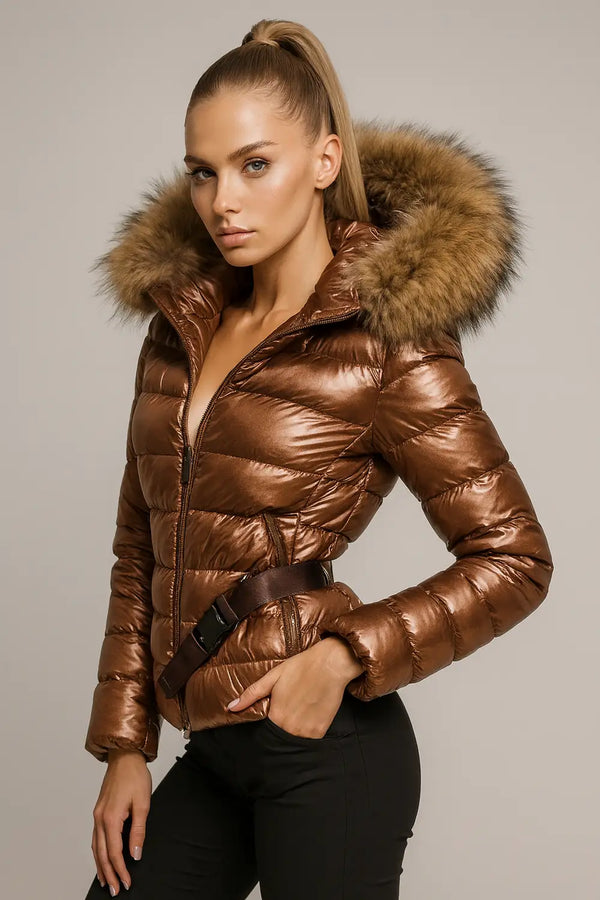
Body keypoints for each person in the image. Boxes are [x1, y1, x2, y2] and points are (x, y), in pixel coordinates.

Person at [82, 17, 554, 900]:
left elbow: (515, 558)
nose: (224, 201)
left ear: (325, 160)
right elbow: (140, 547)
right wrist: (124, 747)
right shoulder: (178, 329)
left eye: (255, 164)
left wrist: (343, 656)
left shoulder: (386, 338)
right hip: (210, 747)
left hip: (331, 755)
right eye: (203, 171)